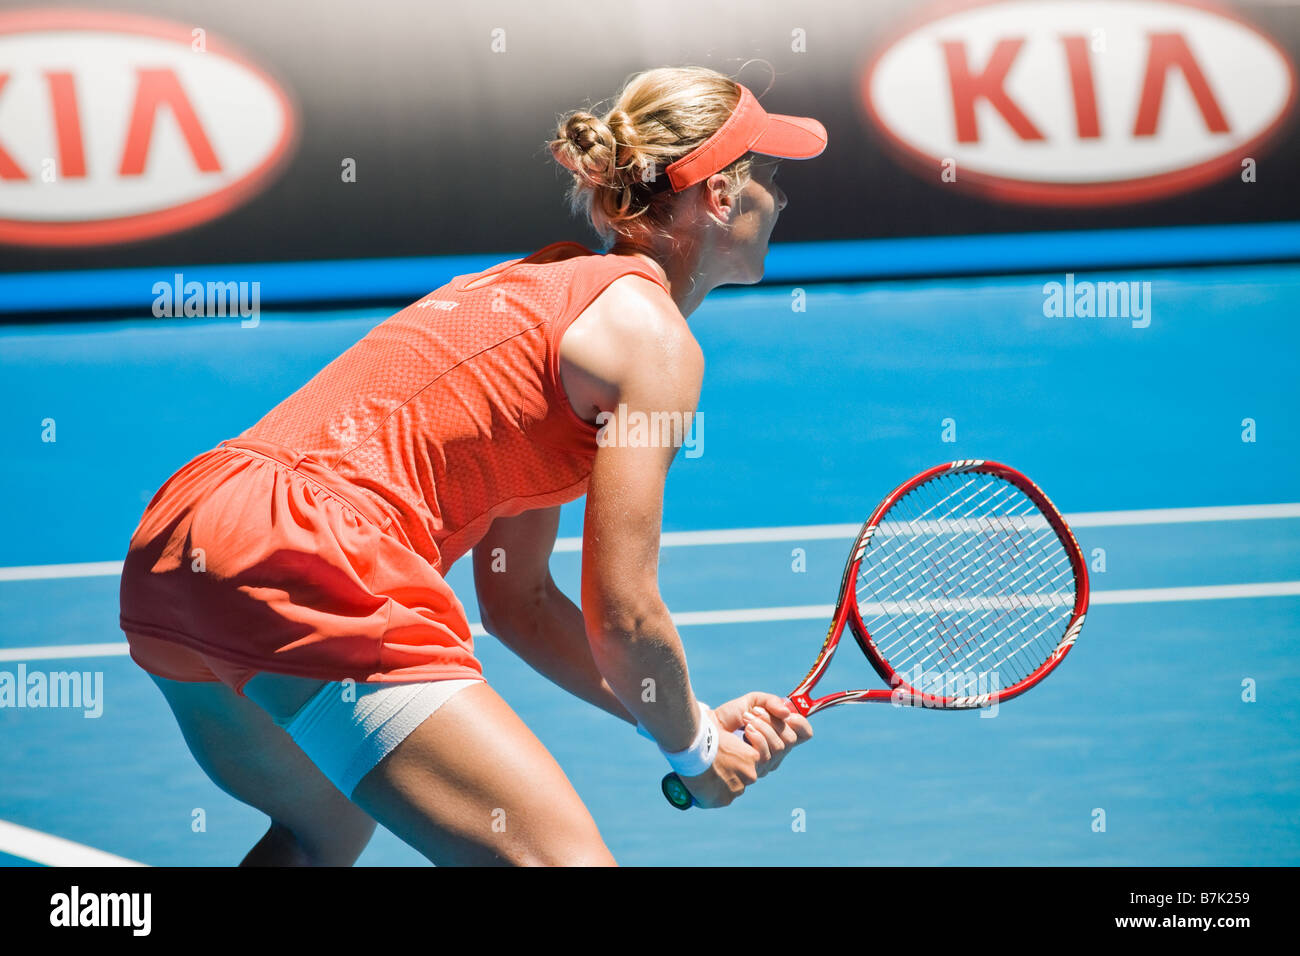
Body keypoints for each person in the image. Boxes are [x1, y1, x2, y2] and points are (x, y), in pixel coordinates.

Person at [118, 65, 828, 866]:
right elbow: (624, 613)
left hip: (186, 539)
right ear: (722, 198)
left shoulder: (548, 287)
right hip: (309, 554)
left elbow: (519, 601)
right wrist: (694, 752)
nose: (783, 196)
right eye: (767, 174)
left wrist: (684, 712)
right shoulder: (654, 339)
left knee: (322, 832)